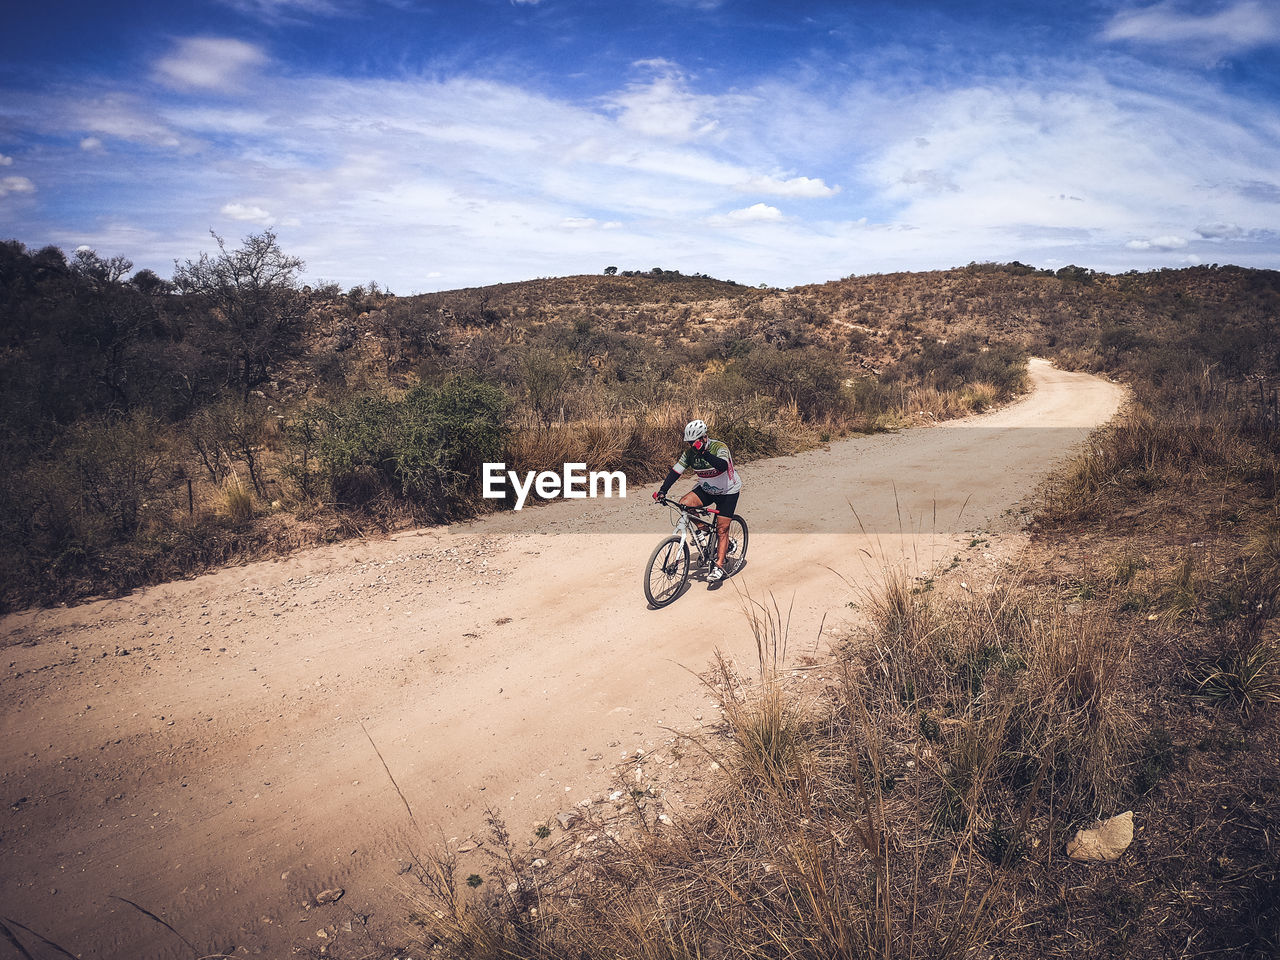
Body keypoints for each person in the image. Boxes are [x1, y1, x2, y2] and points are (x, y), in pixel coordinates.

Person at [652, 419, 741, 583]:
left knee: (722, 529)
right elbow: (676, 471)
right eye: (690, 442)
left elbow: (721, 466)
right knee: (684, 503)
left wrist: (704, 453)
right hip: (707, 489)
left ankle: (719, 565)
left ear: (704, 437)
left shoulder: (719, 447)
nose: (692, 445)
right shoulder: (689, 454)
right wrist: (663, 491)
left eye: (695, 442)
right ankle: (704, 528)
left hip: (728, 491)